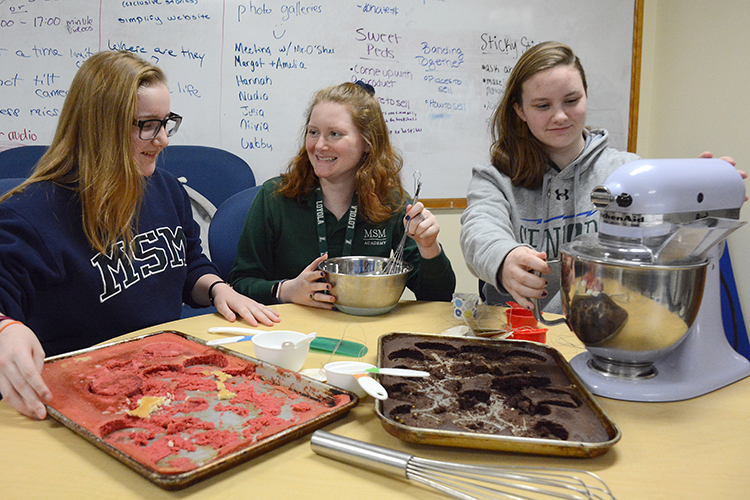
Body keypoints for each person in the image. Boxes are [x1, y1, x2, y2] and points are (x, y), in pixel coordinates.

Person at [0, 50, 280, 420]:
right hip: (82, 399)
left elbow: (189, 263)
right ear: (101, 127)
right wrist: (6, 329)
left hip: (162, 384)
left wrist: (217, 288)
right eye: (147, 125)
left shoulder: (164, 188)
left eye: (166, 122)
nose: (162, 139)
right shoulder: (32, 213)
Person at [460, 41, 742, 314]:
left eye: (571, 100)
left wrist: (706, 199)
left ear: (586, 95)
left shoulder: (628, 173)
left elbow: (671, 242)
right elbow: (479, 232)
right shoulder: (494, 177)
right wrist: (504, 259)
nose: (560, 116)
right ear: (519, 110)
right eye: (542, 106)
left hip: (605, 331)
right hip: (517, 334)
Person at [230, 81, 456, 307]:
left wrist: (429, 247)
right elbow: (240, 283)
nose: (319, 146)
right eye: (313, 132)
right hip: (291, 332)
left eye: (334, 134)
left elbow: (438, 296)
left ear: (367, 143)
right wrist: (287, 290)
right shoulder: (275, 197)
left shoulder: (391, 202)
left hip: (364, 327)